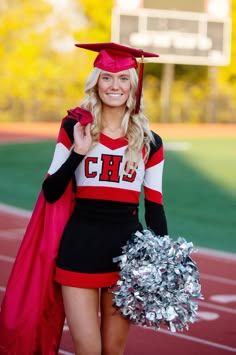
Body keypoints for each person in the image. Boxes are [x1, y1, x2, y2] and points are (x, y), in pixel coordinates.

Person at [0, 42, 168, 355]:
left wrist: (163, 258)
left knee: (113, 349)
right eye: (106, 78)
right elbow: (51, 191)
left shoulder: (150, 141)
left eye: (122, 79)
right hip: (80, 247)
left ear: (133, 84)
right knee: (88, 349)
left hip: (127, 255)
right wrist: (78, 151)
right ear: (96, 83)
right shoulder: (74, 127)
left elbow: (155, 207)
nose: (114, 85)